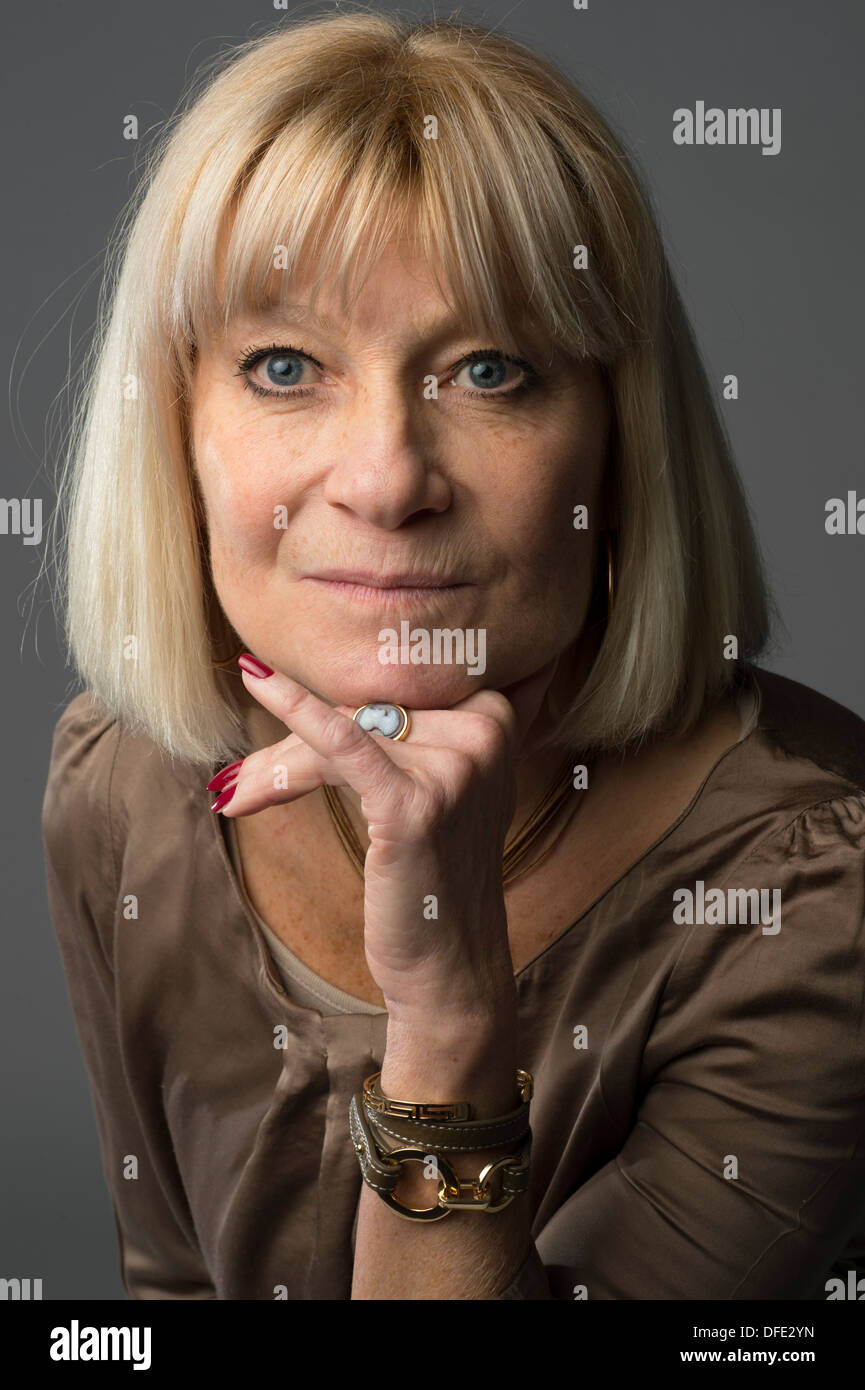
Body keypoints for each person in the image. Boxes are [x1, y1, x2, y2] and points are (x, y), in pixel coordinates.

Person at [41, 10, 865, 1300]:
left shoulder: (818, 906)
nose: (386, 478)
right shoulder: (123, 784)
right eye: (282, 365)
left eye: (489, 369)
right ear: (178, 429)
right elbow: (165, 1294)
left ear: (615, 438)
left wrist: (452, 1021)